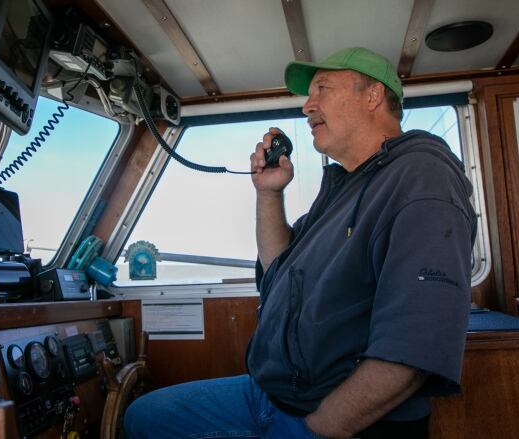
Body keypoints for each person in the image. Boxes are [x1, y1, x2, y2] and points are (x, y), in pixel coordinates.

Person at [124, 47, 476, 439]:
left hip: (339, 416)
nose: (308, 106)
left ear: (373, 95)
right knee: (146, 417)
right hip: (273, 395)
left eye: (322, 88)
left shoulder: (423, 178)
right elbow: (279, 267)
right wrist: (269, 193)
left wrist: (314, 431)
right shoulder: (345, 186)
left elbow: (414, 350)